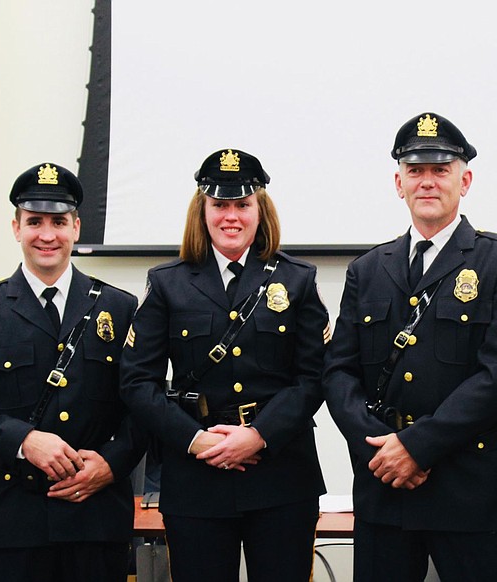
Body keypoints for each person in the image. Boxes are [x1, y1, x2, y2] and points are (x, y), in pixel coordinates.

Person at [322, 112, 497, 581]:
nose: (427, 182)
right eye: (415, 171)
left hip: (470, 489)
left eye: (440, 170)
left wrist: (416, 448)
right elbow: (339, 372)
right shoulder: (368, 269)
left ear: (466, 180)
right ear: (398, 183)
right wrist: (375, 449)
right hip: (385, 486)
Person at [119, 149, 328, 582]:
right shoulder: (167, 283)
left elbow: (313, 378)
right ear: (203, 211)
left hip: (281, 477)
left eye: (242, 205)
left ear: (259, 210)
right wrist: (195, 440)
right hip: (195, 477)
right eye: (219, 205)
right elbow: (138, 382)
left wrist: (257, 436)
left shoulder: (297, 280)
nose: (230, 216)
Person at [0, 163, 146, 582]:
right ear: (16, 228)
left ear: (76, 228)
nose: (47, 235)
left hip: (96, 520)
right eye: (34, 221)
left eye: (58, 222)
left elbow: (144, 404)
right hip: (14, 523)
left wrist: (111, 462)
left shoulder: (119, 309)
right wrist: (24, 440)